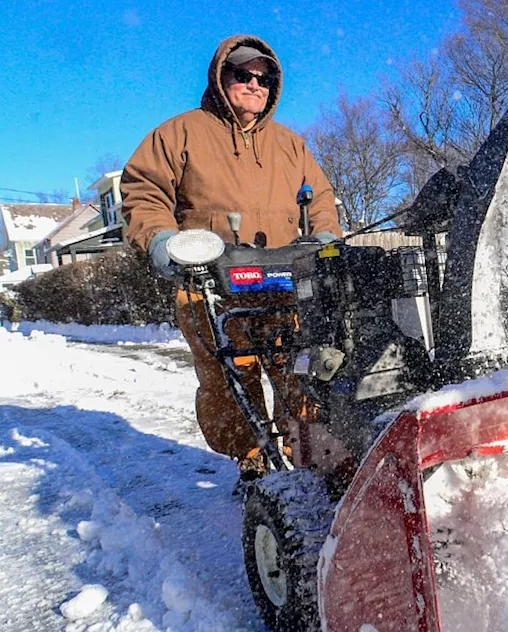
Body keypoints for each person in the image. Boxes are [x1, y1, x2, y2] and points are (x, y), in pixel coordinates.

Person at [120, 35, 343, 485]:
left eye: (263, 78)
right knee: (230, 380)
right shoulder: (180, 133)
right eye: (242, 74)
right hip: (210, 284)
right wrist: (163, 241)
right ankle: (254, 462)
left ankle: (300, 450)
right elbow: (143, 193)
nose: (254, 84)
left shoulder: (290, 144)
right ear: (221, 78)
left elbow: (320, 197)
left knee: (299, 366)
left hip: (282, 278)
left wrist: (323, 238)